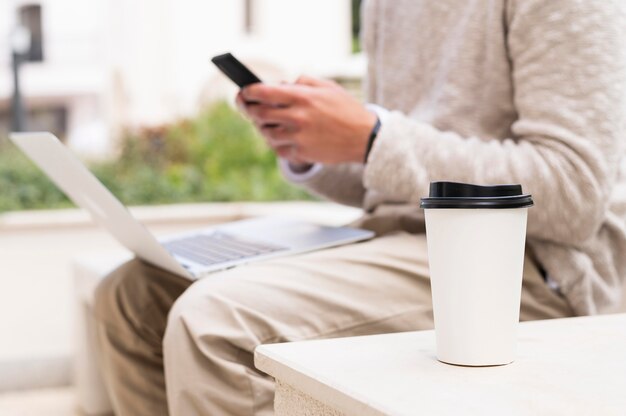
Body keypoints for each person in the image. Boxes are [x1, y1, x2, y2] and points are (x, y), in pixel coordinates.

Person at [93, 1, 626, 415]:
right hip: (400, 239)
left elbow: (575, 189)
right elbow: (391, 181)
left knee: (216, 322)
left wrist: (372, 138)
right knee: (132, 294)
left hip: (526, 263)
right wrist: (314, 144)